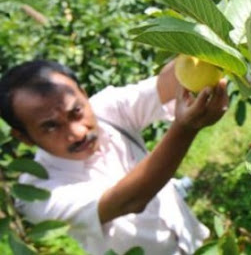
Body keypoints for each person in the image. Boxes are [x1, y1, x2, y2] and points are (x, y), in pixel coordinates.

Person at [0, 59, 229, 254]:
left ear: (84, 94)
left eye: (76, 112)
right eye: (50, 127)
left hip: (195, 241)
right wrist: (185, 128)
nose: (77, 133)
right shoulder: (36, 192)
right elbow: (131, 200)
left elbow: (169, 83)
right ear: (23, 137)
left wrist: (196, 38)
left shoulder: (106, 110)